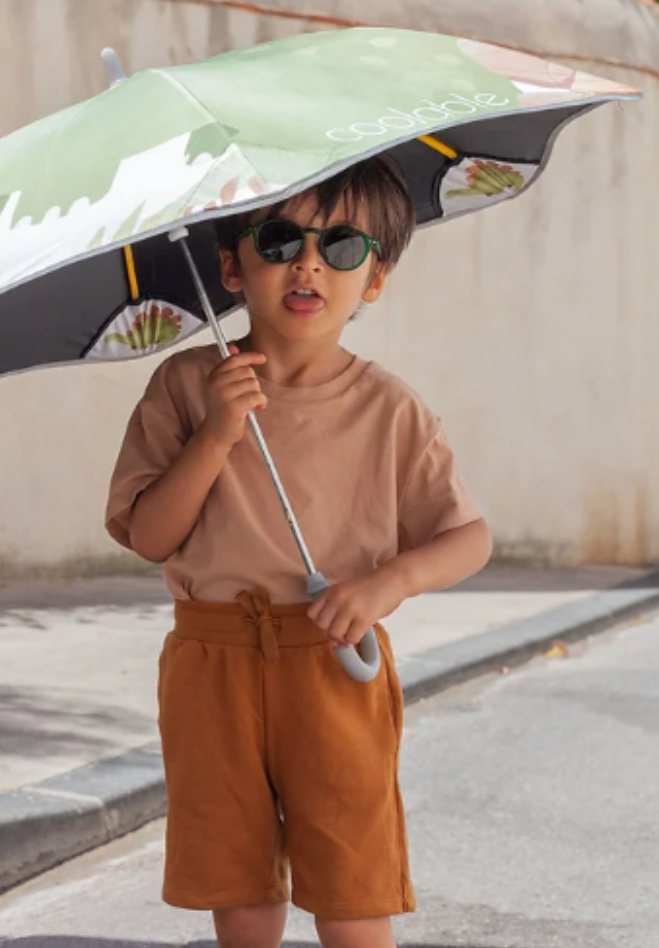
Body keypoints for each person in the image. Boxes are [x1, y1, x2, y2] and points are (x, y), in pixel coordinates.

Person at [104, 156, 493, 948]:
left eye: (343, 246)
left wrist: (387, 584)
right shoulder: (187, 386)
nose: (309, 263)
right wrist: (216, 433)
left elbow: (467, 537)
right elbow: (150, 536)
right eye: (280, 240)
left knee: (353, 883)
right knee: (238, 884)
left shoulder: (389, 409)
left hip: (334, 660)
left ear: (374, 280)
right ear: (231, 266)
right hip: (212, 663)